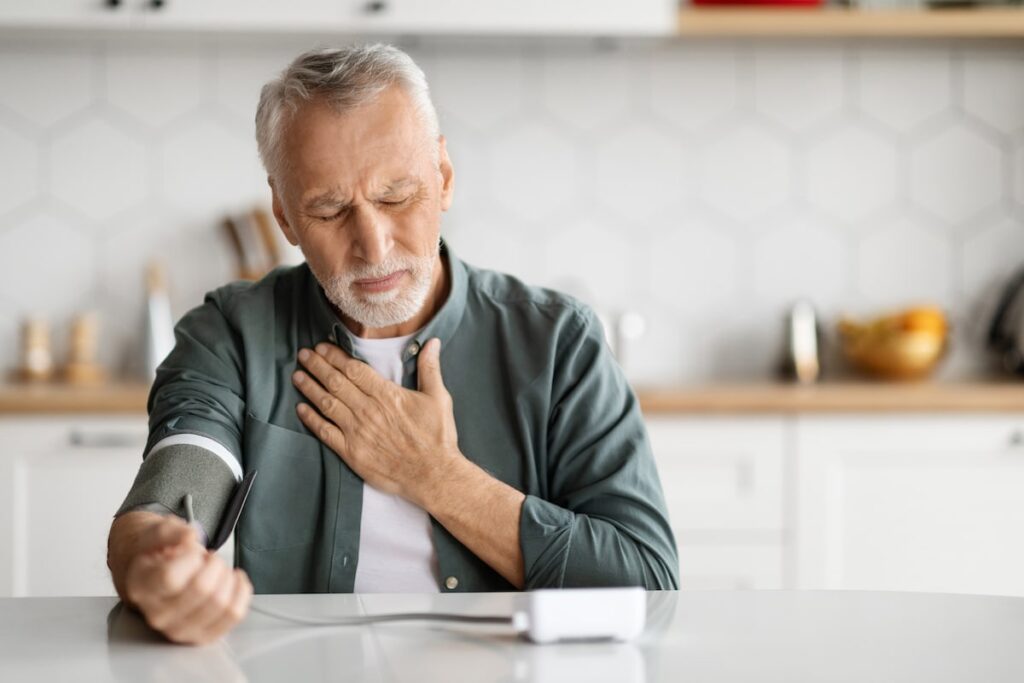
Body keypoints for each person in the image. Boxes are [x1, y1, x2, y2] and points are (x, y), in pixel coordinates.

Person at [106, 44, 678, 646]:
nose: (373, 247)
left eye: (396, 197)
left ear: (444, 177)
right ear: (283, 214)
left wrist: (437, 477)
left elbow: (648, 584)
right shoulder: (231, 332)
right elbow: (175, 486)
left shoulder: (559, 341)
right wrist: (155, 560)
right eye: (329, 211)